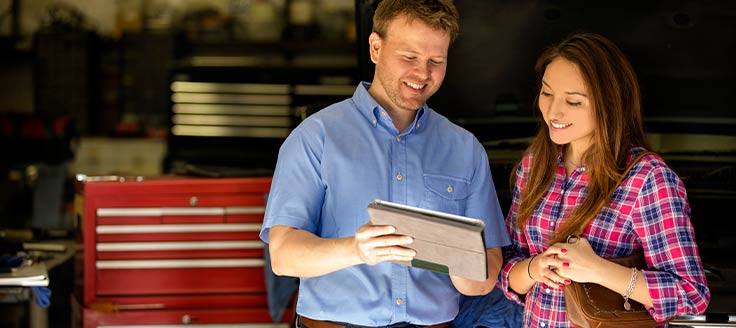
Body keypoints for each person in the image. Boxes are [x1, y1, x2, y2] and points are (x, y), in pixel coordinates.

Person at [259, 0, 510, 327]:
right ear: (376, 48)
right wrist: (355, 250)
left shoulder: (465, 149)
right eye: (409, 57)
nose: (423, 74)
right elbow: (283, 255)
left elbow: (487, 272)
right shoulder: (315, 137)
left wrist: (458, 261)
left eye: (436, 61)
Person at [498, 32, 711, 327]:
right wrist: (535, 268)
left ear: (609, 104)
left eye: (573, 101)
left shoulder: (648, 179)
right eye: (547, 93)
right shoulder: (534, 164)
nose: (553, 111)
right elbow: (507, 263)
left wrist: (596, 269)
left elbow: (690, 294)